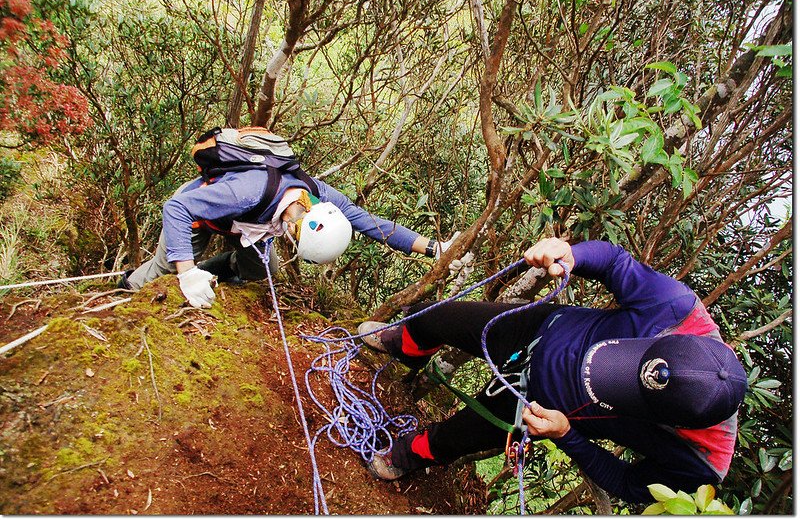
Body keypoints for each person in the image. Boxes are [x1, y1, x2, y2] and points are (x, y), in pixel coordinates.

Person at [358, 238, 747, 504]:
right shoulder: (677, 310)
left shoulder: (701, 460)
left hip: (537, 407)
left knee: (455, 438)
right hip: (537, 328)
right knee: (438, 318)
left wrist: (566, 436)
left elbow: (630, 484)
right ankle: (405, 349)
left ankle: (409, 455)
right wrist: (572, 254)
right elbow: (614, 261)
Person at [121, 168, 457, 308]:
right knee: (164, 273)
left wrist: (435, 248)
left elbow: (373, 225)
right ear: (298, 227)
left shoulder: (323, 200)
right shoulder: (246, 192)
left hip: (249, 229)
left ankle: (216, 270)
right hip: (199, 213)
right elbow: (176, 207)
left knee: (262, 271)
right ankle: (125, 291)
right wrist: (186, 271)